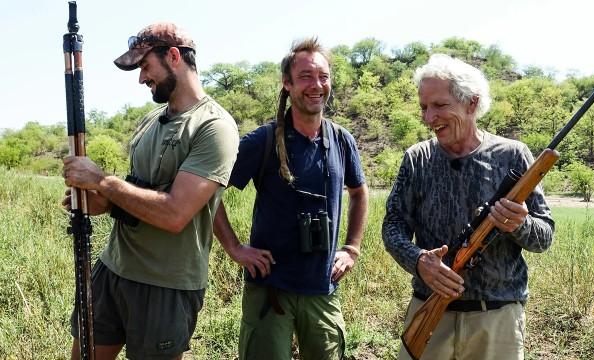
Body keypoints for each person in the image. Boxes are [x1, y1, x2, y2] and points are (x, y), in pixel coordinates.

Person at [62, 22, 239, 360]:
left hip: (165, 286)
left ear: (174, 56)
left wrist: (103, 182)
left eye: (145, 66)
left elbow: (174, 214)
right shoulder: (149, 121)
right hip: (112, 269)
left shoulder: (214, 127)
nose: (142, 78)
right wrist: (102, 203)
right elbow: (138, 198)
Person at [382, 54, 554, 360]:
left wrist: (519, 225)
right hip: (428, 311)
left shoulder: (513, 155)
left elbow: (544, 236)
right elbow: (393, 227)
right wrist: (419, 261)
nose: (428, 117)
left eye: (439, 105)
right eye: (424, 107)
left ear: (471, 104)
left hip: (496, 321)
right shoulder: (417, 158)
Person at [213, 37, 369, 360]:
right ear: (287, 84)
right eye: (306, 77)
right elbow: (209, 192)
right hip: (270, 288)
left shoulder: (342, 140)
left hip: (322, 288)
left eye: (323, 77)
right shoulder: (264, 140)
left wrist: (352, 248)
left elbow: (359, 193)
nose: (316, 85)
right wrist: (235, 248)